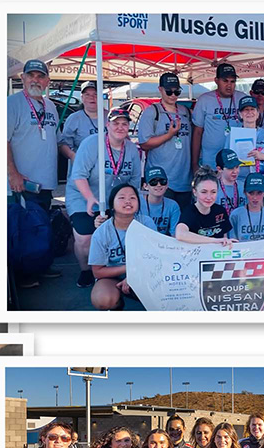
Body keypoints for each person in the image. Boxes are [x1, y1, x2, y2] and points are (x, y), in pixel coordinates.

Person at [69, 108, 143, 288]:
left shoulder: (132, 149)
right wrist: (89, 198)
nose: (120, 127)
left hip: (114, 198)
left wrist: (131, 202)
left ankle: (113, 270)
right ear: (107, 125)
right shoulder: (91, 144)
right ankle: (86, 270)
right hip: (83, 195)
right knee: (85, 237)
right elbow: (78, 175)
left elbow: (134, 180)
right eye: (115, 123)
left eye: (124, 124)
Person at [87, 183, 158, 311]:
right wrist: (129, 269)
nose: (127, 201)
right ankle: (117, 305)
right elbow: (97, 271)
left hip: (144, 274)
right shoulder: (102, 233)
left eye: (132, 198)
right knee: (103, 300)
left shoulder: (146, 223)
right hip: (113, 277)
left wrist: (133, 276)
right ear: (112, 204)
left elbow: (156, 257)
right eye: (121, 198)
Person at [4, 59, 61, 215]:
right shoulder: (11, 104)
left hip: (46, 185)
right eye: (31, 75)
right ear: (23, 78)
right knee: (24, 233)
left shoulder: (50, 106)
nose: (35, 80)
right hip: (22, 185)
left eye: (40, 76)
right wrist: (13, 174)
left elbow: (57, 139)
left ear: (47, 81)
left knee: (41, 231)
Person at [137, 73, 194, 207]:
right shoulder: (152, 112)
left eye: (177, 91)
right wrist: (168, 135)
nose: (173, 95)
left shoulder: (185, 112)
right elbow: (144, 144)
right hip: (160, 181)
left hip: (184, 179)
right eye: (169, 91)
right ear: (160, 90)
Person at [191, 63, 245, 170]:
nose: (229, 85)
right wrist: (194, 163)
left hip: (236, 159)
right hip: (211, 160)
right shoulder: (204, 100)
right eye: (225, 81)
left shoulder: (243, 99)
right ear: (216, 80)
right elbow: (197, 132)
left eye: (232, 81)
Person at [175, 170, 235, 245]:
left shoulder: (220, 211)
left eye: (213, 192)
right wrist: (214, 241)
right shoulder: (189, 212)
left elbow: (224, 237)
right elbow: (180, 234)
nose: (209, 197)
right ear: (195, 192)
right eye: (204, 192)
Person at [59, 81, 100, 170]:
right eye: (87, 95)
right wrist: (73, 156)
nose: (92, 98)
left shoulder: (109, 117)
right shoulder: (74, 118)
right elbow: (63, 144)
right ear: (82, 98)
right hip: (82, 167)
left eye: (95, 94)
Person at [229, 174, 264, 242]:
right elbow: (232, 240)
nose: (255, 198)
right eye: (251, 193)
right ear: (245, 193)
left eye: (259, 193)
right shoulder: (236, 214)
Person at [139, 166, 182, 237]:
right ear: (145, 186)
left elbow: (174, 234)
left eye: (162, 182)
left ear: (167, 185)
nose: (158, 185)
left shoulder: (173, 206)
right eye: (153, 182)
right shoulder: (137, 203)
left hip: (163, 243)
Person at [214, 149, 247, 215]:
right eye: (230, 168)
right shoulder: (213, 188)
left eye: (237, 167)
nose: (235, 171)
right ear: (219, 169)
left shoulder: (244, 186)